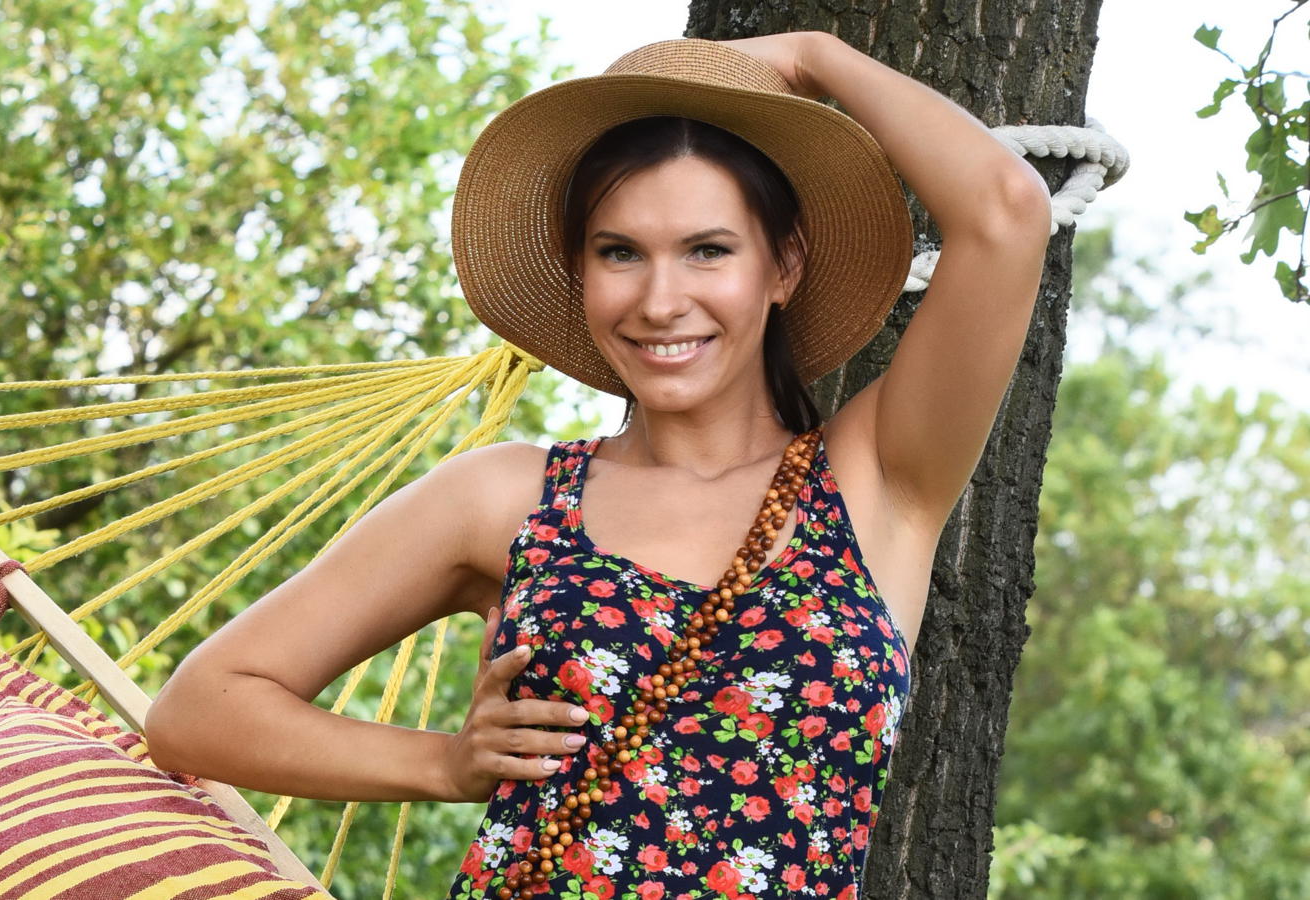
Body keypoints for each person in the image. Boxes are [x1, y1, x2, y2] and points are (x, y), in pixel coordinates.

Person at [144, 32, 1051, 900]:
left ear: (782, 266)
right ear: (581, 273)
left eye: (708, 251)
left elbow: (1007, 214)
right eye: (620, 253)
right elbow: (199, 711)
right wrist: (444, 764)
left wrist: (815, 55)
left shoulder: (875, 479)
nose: (660, 301)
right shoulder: (507, 497)